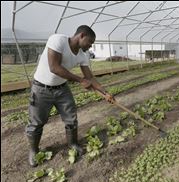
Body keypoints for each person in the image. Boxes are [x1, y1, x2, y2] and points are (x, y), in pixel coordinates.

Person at [25, 25, 115, 167]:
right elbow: (54, 67)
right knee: (36, 122)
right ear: (82, 35)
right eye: (89, 43)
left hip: (62, 89)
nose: (90, 47)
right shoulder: (57, 40)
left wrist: (105, 93)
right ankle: (33, 151)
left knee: (71, 118)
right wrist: (80, 80)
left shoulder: (82, 55)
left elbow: (89, 78)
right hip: (41, 88)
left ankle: (72, 143)